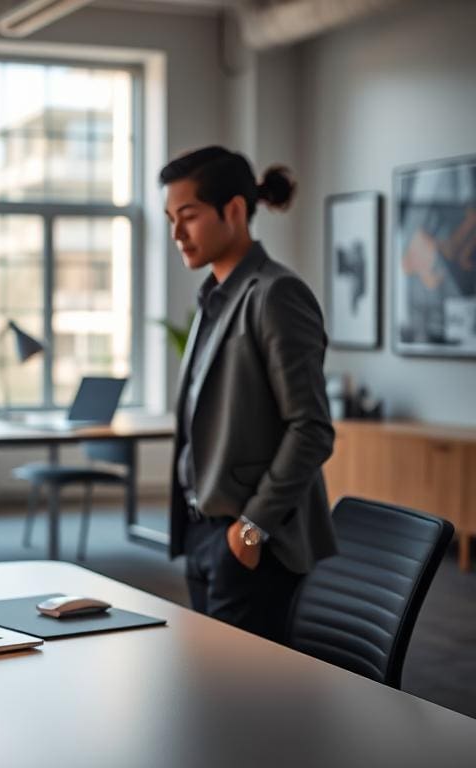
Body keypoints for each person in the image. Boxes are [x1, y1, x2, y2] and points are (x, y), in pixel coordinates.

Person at [161, 146, 336, 644]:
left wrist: (251, 529)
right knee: (215, 690)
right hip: (203, 532)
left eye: (188, 217)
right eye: (172, 219)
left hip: (252, 542)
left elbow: (312, 428)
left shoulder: (276, 294)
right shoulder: (213, 297)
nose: (177, 234)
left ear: (234, 211)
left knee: (244, 703)